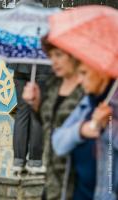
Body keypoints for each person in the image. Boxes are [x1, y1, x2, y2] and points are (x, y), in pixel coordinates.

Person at [22, 35, 84, 199]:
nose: (53, 61)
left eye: (59, 55)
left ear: (73, 55)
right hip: (52, 177)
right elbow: (48, 123)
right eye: (51, 56)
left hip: (78, 178)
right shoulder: (53, 84)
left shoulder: (87, 88)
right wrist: (37, 106)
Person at [51, 51, 118, 200]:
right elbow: (58, 143)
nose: (80, 80)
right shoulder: (87, 103)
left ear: (102, 73)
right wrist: (81, 130)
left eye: (84, 73)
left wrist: (108, 126)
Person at [10, 0, 53, 175]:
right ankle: (35, 161)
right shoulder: (47, 18)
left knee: (22, 113)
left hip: (20, 68)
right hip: (41, 69)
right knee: (37, 113)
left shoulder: (17, 15)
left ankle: (18, 160)